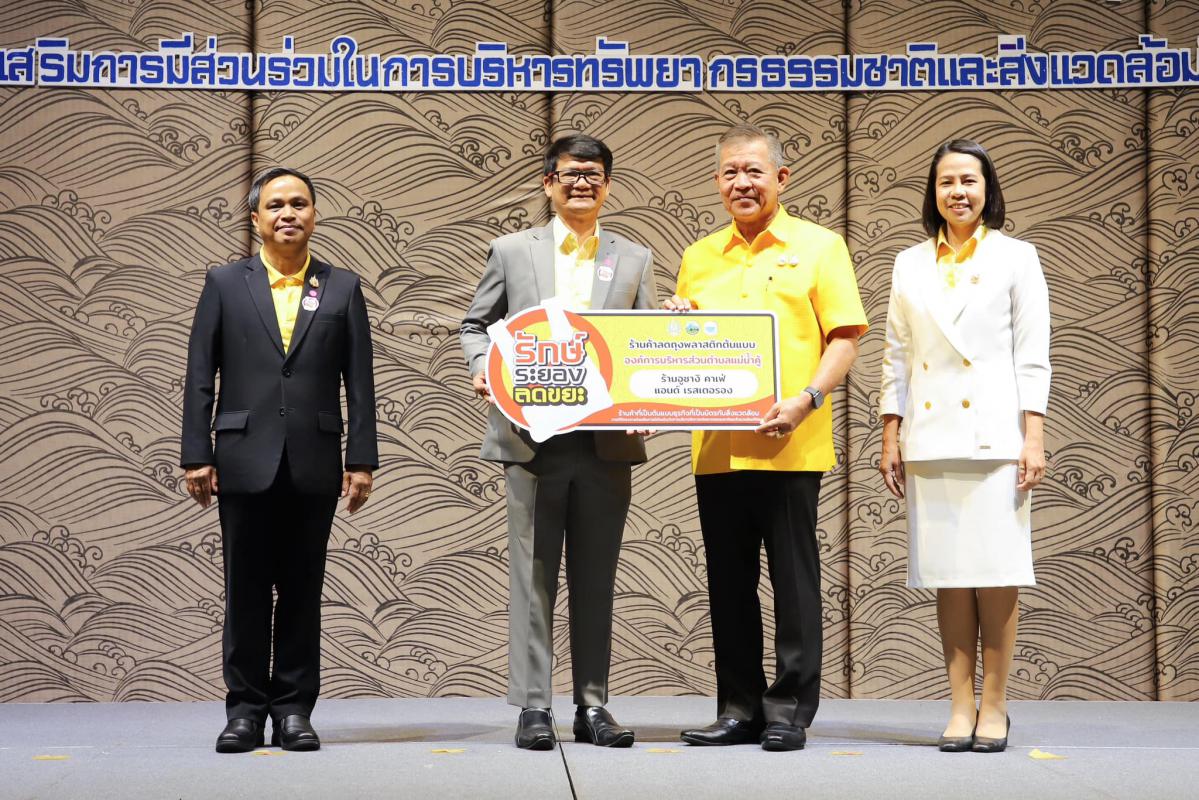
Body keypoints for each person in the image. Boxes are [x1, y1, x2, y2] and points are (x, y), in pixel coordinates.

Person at [667, 123, 867, 752]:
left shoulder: (821, 246)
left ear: (781, 177)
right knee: (728, 584)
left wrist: (807, 400)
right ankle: (738, 708)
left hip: (790, 443)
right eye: (730, 172)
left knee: (794, 582)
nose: (741, 183)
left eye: (753, 171)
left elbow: (845, 338)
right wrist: (677, 327)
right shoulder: (699, 256)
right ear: (717, 182)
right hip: (717, 447)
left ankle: (788, 711)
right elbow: (684, 353)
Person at [460, 134, 657, 750]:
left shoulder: (635, 258)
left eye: (594, 174)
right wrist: (482, 368)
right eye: (570, 174)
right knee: (533, 573)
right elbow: (475, 324)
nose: (582, 184)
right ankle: (534, 707)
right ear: (548, 183)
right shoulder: (511, 250)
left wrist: (654, 392)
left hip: (606, 443)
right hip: (531, 441)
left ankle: (592, 705)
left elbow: (646, 341)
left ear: (608, 186)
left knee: (597, 576)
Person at [181, 168, 378, 753]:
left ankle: (293, 710)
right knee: (244, 591)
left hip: (314, 461)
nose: (287, 213)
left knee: (301, 591)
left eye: (298, 203)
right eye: (275, 205)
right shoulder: (224, 283)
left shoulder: (342, 287)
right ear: (256, 218)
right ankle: (244, 712)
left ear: (314, 214)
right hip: (243, 458)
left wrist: (361, 460)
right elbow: (200, 374)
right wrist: (197, 454)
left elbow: (360, 383)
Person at [878, 138, 1050, 753]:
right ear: (933, 192)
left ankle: (995, 706)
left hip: (996, 438)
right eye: (947, 181)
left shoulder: (1017, 257)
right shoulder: (908, 263)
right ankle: (959, 706)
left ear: (987, 189)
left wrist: (1033, 437)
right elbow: (897, 354)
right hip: (930, 438)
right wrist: (891, 432)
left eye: (969, 181)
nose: (958, 192)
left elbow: (1032, 354)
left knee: (997, 575)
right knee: (949, 577)